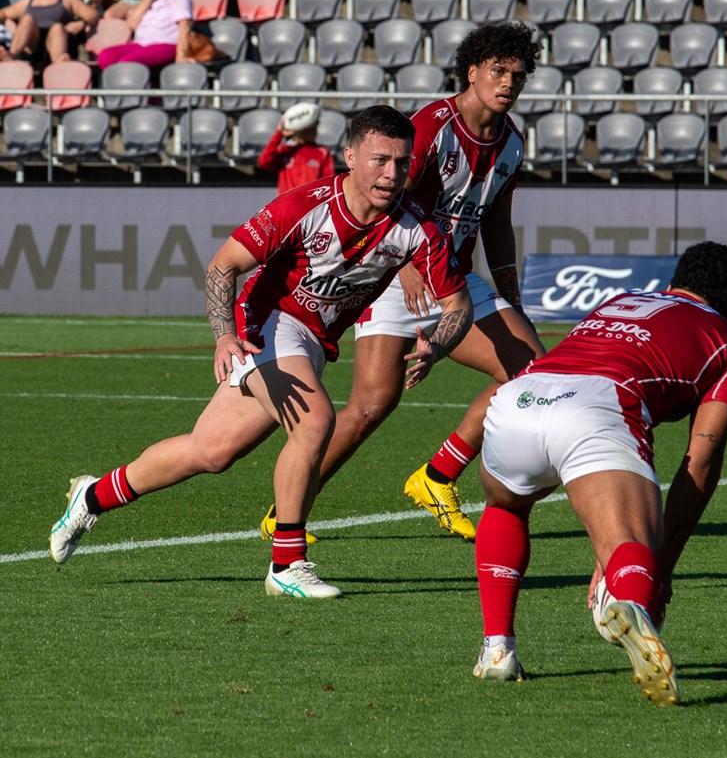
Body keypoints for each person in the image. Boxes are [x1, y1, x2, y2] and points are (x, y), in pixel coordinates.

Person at [49, 105, 473, 600]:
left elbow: (458, 304)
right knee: (315, 422)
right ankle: (287, 564)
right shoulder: (305, 206)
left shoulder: (417, 227)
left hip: (313, 342)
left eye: (401, 162)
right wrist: (224, 335)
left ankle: (92, 496)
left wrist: (437, 344)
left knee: (210, 452)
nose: (391, 174)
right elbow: (223, 265)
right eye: (380, 160)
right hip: (266, 324)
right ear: (351, 156)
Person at [260, 20, 545, 544]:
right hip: (394, 275)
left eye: (519, 75)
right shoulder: (433, 126)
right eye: (499, 71)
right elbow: (386, 197)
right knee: (371, 406)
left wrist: (511, 298)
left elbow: (498, 225)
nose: (509, 83)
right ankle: (285, 513)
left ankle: (438, 475)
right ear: (472, 71)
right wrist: (408, 264)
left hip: (455, 280)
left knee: (531, 370)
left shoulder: (513, 143)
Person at [471, 241, 727, 708]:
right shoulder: (726, 343)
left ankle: (497, 649)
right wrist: (659, 568)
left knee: (506, 506)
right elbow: (700, 462)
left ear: (674, 281)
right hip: (598, 407)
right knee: (630, 545)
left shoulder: (622, 300)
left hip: (521, 398)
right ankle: (631, 601)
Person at [96, 0, 191, 70]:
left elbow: (185, 24)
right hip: (142, 43)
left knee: (127, 64)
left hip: (166, 42)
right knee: (106, 57)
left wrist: (181, 54)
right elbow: (132, 24)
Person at [0, 0, 99, 63]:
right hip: (34, 46)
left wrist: (81, 23)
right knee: (27, 19)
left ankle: (58, 64)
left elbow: (93, 15)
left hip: (59, 43)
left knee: (57, 27)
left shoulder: (66, 0)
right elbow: (4, 13)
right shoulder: (28, 2)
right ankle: (11, 56)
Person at [257, 101, 335, 197]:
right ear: (299, 131)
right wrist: (279, 133)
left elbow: (329, 183)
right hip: (286, 204)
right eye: (309, 129)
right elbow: (264, 161)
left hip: (311, 205)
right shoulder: (286, 150)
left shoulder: (322, 152)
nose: (314, 131)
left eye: (314, 127)